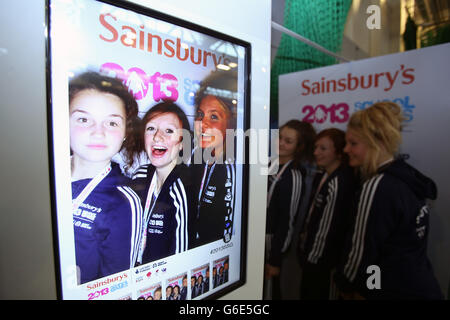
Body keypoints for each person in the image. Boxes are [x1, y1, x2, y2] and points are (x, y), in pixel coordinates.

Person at [334, 102, 443, 299]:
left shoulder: (378, 186)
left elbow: (363, 252)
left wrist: (351, 287)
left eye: (353, 143)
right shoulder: (409, 178)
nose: (346, 149)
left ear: (379, 143)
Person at [69, 71, 143, 284]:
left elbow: (118, 287)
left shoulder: (122, 202)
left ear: (125, 132)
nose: (98, 133)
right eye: (83, 119)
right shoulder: (38, 175)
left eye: (111, 123)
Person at [298, 128, 358, 299]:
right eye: (316, 148)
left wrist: (312, 258)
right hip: (312, 258)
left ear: (339, 152)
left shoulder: (339, 182)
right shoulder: (324, 175)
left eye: (323, 149)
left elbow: (327, 228)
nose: (316, 153)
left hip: (322, 264)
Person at [131, 102, 194, 264]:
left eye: (169, 131)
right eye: (151, 129)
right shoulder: (140, 175)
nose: (157, 137)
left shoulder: (183, 188)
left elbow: (182, 257)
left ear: (181, 143)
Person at [264, 120, 314, 299]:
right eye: (280, 137)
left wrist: (275, 259)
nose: (281, 143)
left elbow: (288, 220)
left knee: (269, 291)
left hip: (271, 244)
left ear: (298, 147)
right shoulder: (270, 163)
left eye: (288, 141)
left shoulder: (293, 175)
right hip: (256, 238)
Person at [189, 69, 237, 247]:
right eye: (200, 115)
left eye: (214, 116)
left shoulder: (233, 168)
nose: (203, 124)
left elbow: (229, 233)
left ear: (231, 123)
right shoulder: (195, 156)